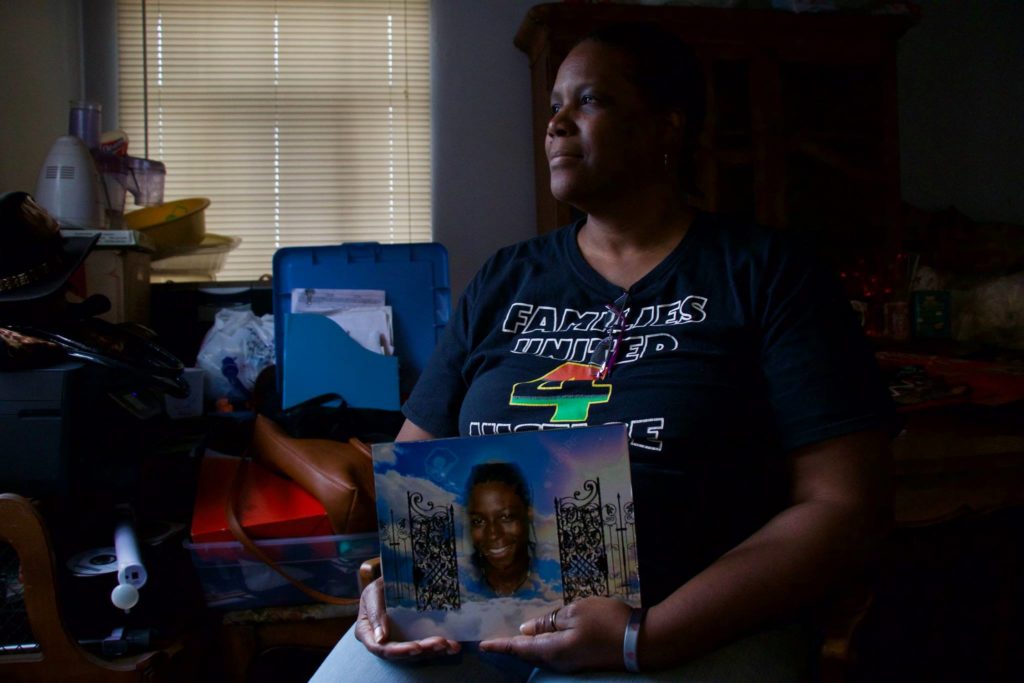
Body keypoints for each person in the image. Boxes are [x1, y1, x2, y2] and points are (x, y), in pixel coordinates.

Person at [311, 21, 894, 682]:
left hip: (685, 625)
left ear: (667, 126)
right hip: (474, 618)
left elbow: (844, 507)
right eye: (555, 104)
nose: (556, 124)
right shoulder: (506, 278)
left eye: (589, 100)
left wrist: (645, 637)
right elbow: (416, 476)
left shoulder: (769, 273)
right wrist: (393, 583)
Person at [463, 461, 541, 598]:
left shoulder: (553, 569)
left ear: (528, 513)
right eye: (478, 521)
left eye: (506, 517)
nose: (493, 534)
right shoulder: (461, 578)